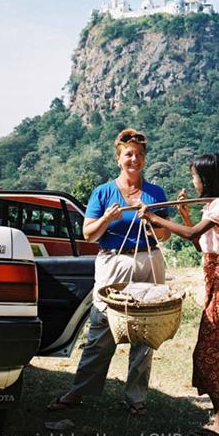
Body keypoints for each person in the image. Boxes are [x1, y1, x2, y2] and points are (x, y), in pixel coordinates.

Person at [48, 128, 170, 415]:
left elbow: (164, 235)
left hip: (148, 261)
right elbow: (89, 234)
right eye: (129, 154)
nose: (134, 159)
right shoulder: (103, 192)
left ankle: (136, 398)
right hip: (113, 263)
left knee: (145, 331)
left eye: (139, 155)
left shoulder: (155, 193)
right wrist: (107, 217)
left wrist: (150, 218)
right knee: (101, 328)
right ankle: (79, 392)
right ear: (118, 158)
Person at [138, 154, 219, 436]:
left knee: (211, 351)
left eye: (195, 177)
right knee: (216, 351)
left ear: (206, 180)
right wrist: (185, 214)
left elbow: (190, 235)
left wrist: (154, 217)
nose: (193, 182)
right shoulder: (212, 207)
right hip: (215, 284)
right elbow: (201, 245)